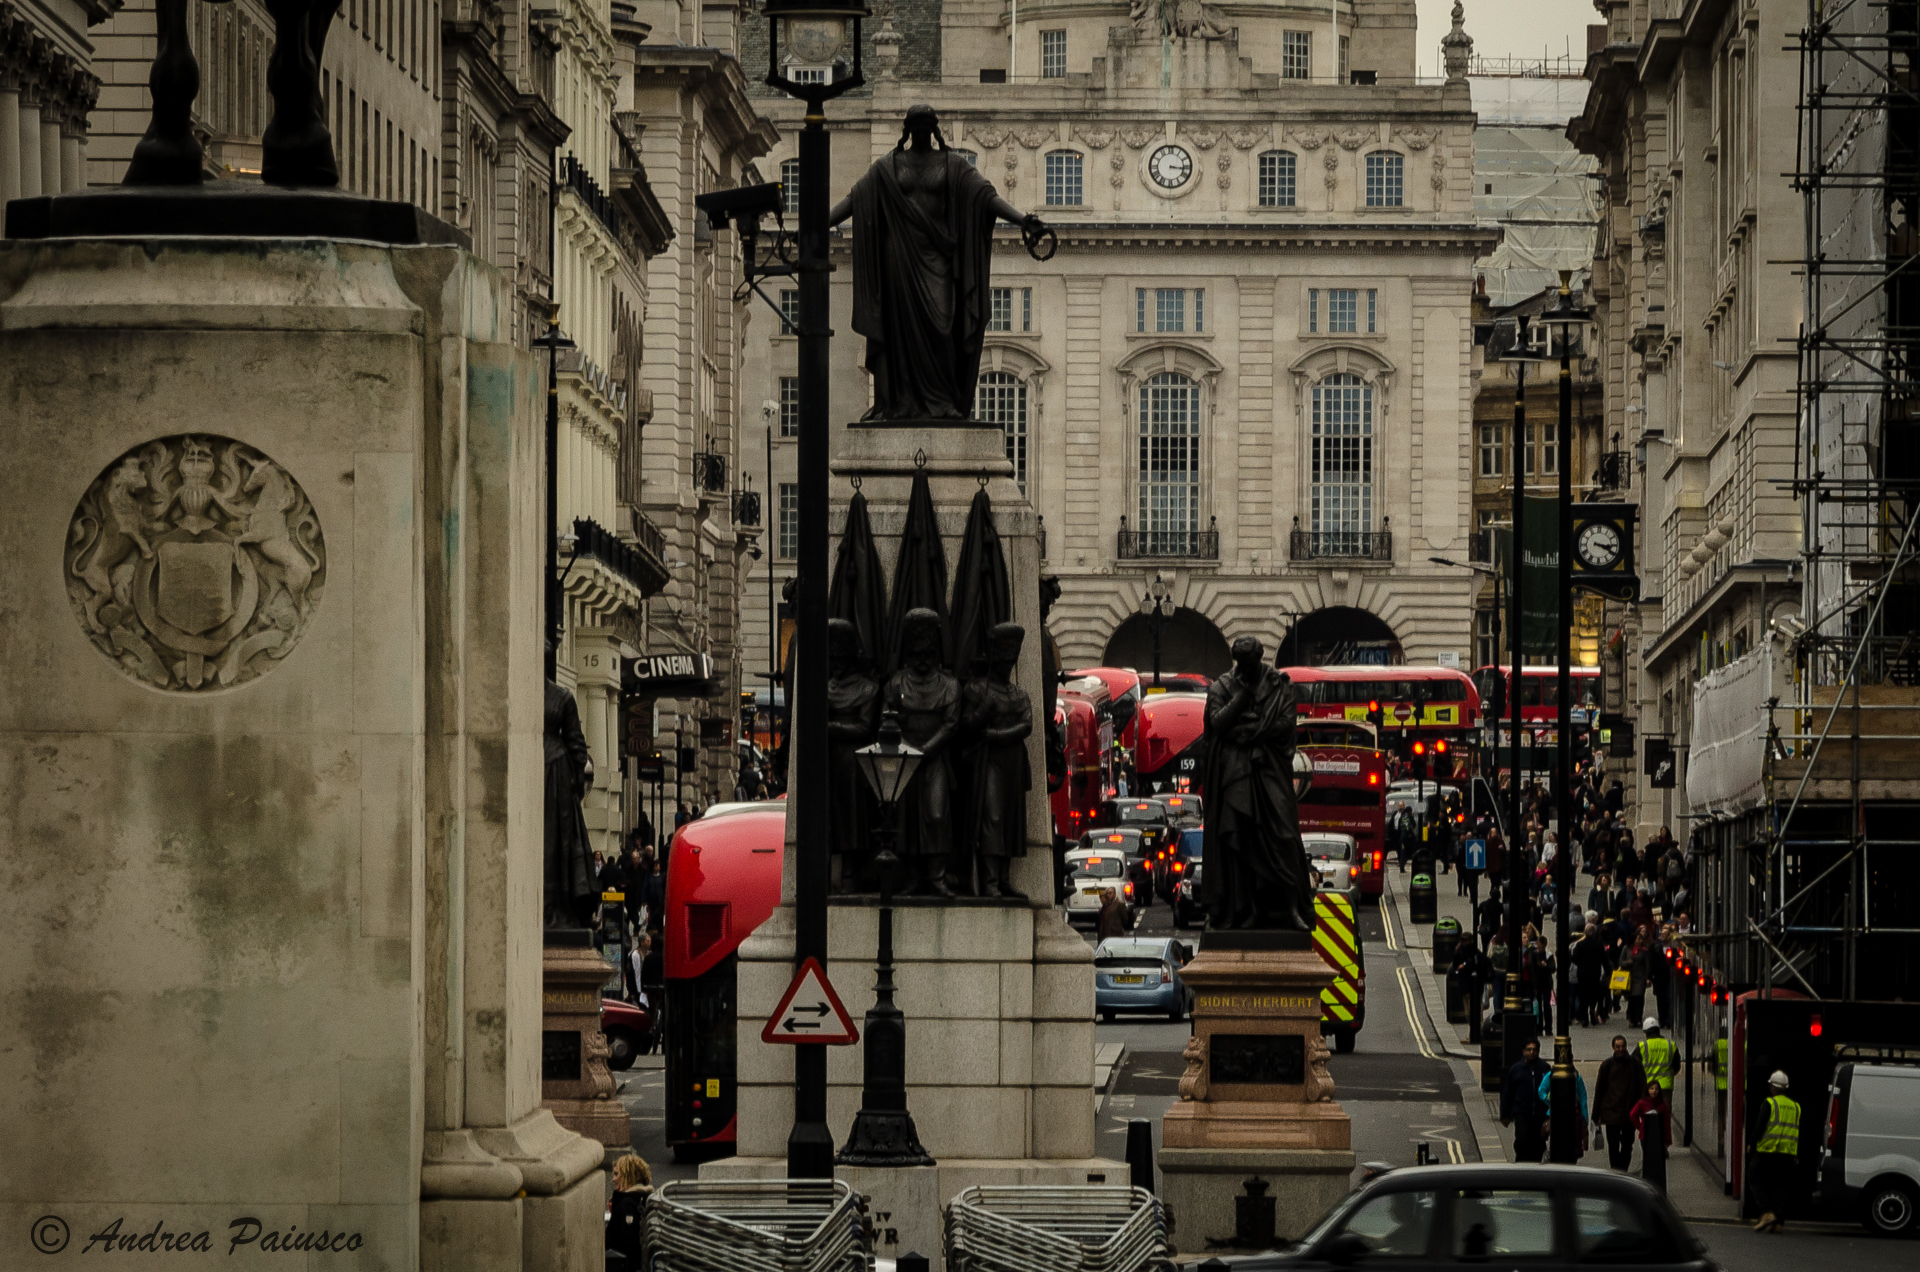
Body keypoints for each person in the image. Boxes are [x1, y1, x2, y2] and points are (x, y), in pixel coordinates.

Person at [1748, 1071, 1801, 1232]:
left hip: (1768, 1150)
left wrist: (1751, 1143)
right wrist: (1796, 1154)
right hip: (1787, 1153)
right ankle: (1778, 1223)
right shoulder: (1795, 1106)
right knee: (1780, 1186)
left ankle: (1766, 1212)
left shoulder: (1770, 1103)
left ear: (1772, 1087)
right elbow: (1798, 1132)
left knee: (1753, 1177)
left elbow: (1759, 1126)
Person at [1592, 1034, 1648, 1171]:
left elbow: (1642, 1086)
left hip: (1630, 1112)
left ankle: (1622, 1169)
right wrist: (1595, 1114)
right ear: (1613, 1047)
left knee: (1627, 1144)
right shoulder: (1607, 1065)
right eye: (1618, 1046)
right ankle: (1616, 1170)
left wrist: (1641, 1108)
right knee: (1613, 1144)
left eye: (1622, 1046)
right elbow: (1599, 1089)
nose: (1621, 1049)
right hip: (1611, 1113)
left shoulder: (1635, 1064)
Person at [1500, 1039, 1552, 1163]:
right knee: (1522, 1142)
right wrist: (1505, 1115)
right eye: (1529, 1049)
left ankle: (1536, 1168)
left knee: (1538, 1144)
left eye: (1534, 1050)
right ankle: (1521, 1166)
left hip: (1540, 1114)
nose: (1531, 1052)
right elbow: (1507, 1093)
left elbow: (1551, 1092)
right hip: (1522, 1113)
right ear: (1523, 1051)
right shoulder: (1516, 1069)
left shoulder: (1545, 1068)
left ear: (1538, 1051)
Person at [1537, 1051, 1591, 1155]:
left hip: (1573, 1115)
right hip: (1556, 1114)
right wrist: (1550, 1100)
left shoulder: (1576, 1076)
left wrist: (1584, 1119)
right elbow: (1541, 1091)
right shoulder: (1552, 1075)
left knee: (1572, 1141)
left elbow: (1583, 1098)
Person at [607, 1154, 654, 1263]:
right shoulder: (646, 1199)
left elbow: (628, 1246)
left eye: (616, 1174)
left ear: (628, 1175)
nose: (613, 1179)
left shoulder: (627, 1205)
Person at [1630, 1079, 1673, 1192]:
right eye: (1651, 1089)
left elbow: (1666, 1124)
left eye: (1656, 1089)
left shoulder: (1662, 1105)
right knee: (1648, 1159)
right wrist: (1640, 1127)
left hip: (1659, 1137)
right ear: (1647, 1090)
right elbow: (1633, 1115)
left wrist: (1667, 1141)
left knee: (1657, 1161)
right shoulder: (1642, 1103)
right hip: (1646, 1137)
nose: (1654, 1091)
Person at [1636, 1017, 1676, 1096]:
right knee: (1664, 1108)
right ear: (1659, 1030)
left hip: (1647, 1086)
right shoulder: (1670, 1045)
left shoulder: (1642, 1046)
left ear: (1646, 1033)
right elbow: (1676, 1065)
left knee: (1647, 1107)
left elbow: (1635, 1066)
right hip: (1665, 1085)